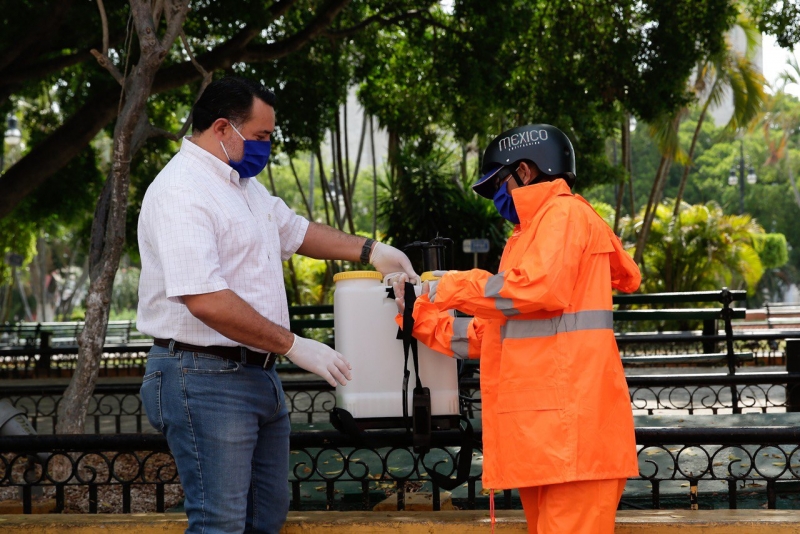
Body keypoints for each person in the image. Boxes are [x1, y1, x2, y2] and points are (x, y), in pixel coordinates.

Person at [136, 76, 417, 534]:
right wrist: (293, 345)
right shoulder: (181, 191)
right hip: (203, 375)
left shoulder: (245, 188)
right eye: (262, 136)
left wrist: (372, 251)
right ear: (223, 128)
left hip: (256, 373)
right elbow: (205, 299)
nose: (267, 147)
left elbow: (298, 231)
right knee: (220, 524)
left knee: (266, 519)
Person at [393, 124, 641, 534]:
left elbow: (539, 289)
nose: (496, 199)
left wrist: (447, 285)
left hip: (570, 435)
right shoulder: (529, 234)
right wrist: (418, 316)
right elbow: (493, 336)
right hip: (549, 435)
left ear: (524, 172)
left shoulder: (564, 214)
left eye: (496, 185)